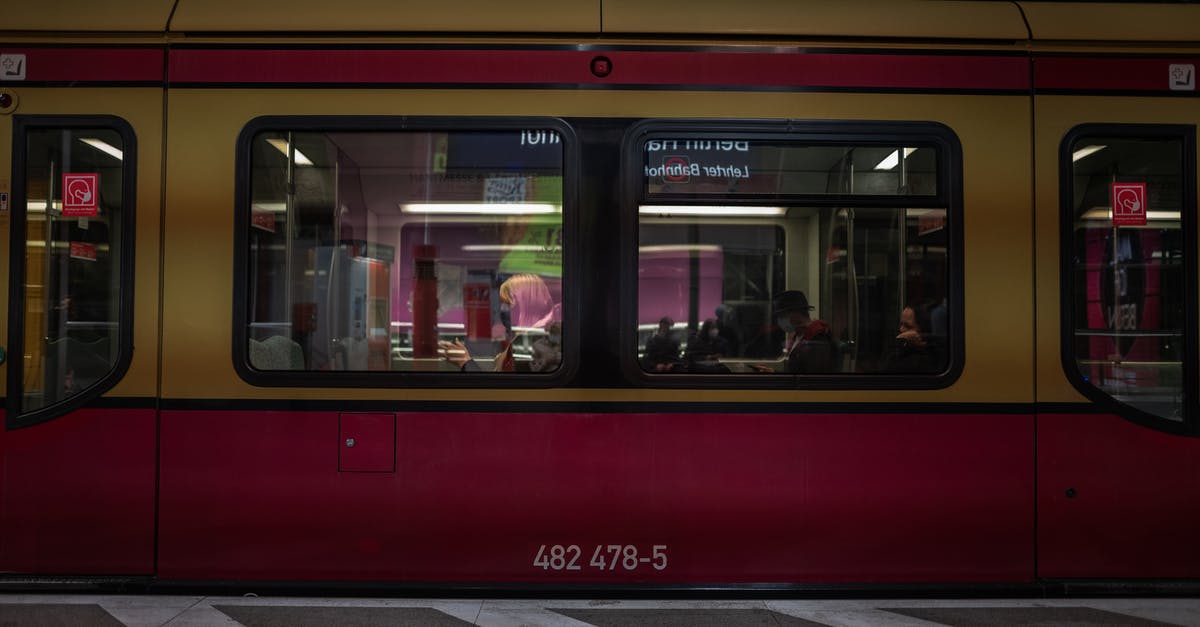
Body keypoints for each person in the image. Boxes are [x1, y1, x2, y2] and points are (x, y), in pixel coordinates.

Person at [753, 290, 838, 373]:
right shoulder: (799, 336)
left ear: (796, 313)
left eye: (782, 316)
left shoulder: (818, 338)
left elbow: (812, 377)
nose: (780, 320)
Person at [881, 302, 944, 373]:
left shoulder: (923, 360)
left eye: (908, 326)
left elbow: (887, 369)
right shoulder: (907, 349)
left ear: (923, 330)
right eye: (901, 324)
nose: (901, 329)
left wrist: (899, 341)